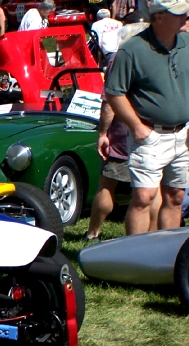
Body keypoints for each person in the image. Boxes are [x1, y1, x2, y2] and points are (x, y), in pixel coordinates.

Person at [105, 0, 189, 235]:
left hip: (183, 134)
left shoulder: (186, 43)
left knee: (176, 196)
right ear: (159, 17)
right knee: (143, 197)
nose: (185, 17)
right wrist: (137, 126)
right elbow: (114, 92)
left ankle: (167, 252)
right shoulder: (132, 49)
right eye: (179, 13)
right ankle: (137, 253)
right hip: (150, 135)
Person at [85, 14, 155, 240]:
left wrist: (102, 133)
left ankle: (93, 232)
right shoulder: (156, 57)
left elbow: (109, 103)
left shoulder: (120, 57)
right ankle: (153, 235)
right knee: (152, 189)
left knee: (107, 184)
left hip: (122, 132)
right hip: (153, 130)